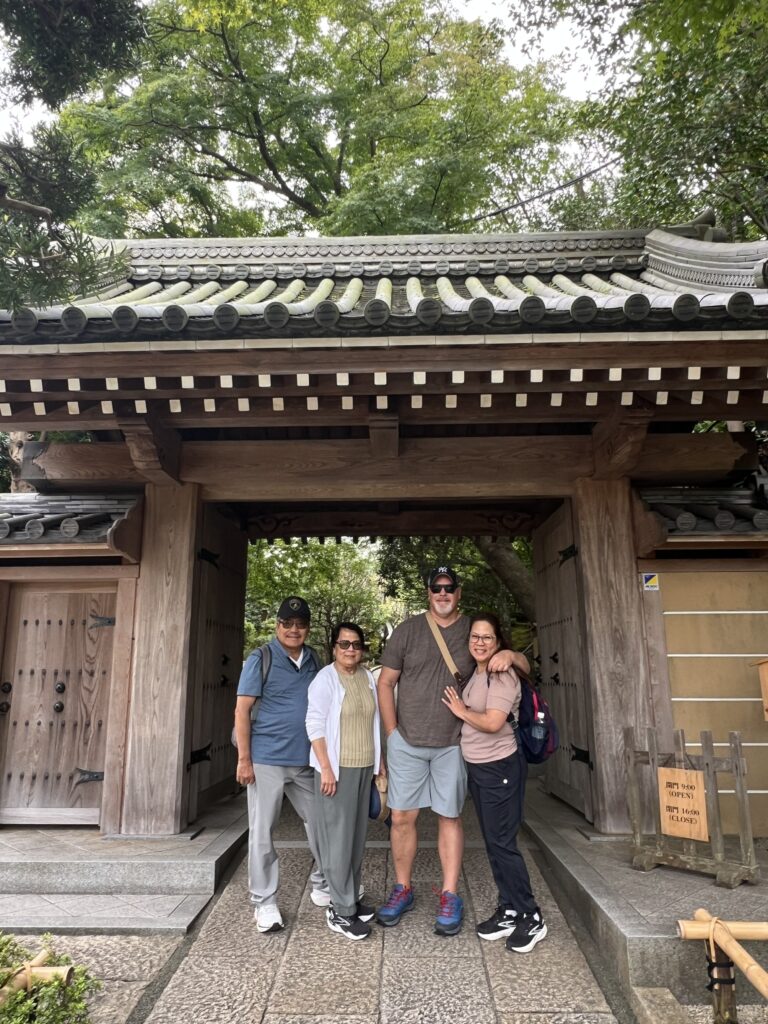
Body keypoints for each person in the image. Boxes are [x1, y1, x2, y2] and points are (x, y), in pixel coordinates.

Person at [376, 566, 527, 936]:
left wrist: (511, 654)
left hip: (453, 744)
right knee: (401, 818)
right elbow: (385, 682)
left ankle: (449, 893)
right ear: (428, 592)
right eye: (436, 587)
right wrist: (392, 733)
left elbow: (522, 665)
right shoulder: (407, 630)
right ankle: (403, 887)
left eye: (449, 588)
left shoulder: (473, 632)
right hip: (408, 741)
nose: (442, 593)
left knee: (449, 817)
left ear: (459, 593)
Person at [442, 611, 546, 953]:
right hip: (482, 768)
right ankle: (510, 907)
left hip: (500, 766)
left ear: (498, 641)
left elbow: (492, 722)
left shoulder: (501, 674)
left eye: (487, 637)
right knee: (493, 841)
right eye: (475, 636)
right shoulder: (479, 671)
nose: (480, 642)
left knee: (503, 842)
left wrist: (461, 713)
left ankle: (531, 916)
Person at [234, 596, 329, 933]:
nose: (294, 629)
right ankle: (265, 903)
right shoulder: (260, 658)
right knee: (262, 833)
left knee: (322, 823)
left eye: (300, 624)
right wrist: (244, 760)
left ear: (307, 628)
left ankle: (322, 883)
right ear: (277, 626)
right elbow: (242, 711)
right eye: (287, 623)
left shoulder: (314, 658)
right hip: (266, 760)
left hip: (306, 760)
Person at [306, 622, 382, 940]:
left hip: (364, 767)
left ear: (362, 649)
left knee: (355, 839)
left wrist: (381, 766)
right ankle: (339, 910)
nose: (350, 650)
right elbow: (314, 724)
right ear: (334, 648)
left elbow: (375, 721)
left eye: (355, 644)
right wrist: (325, 768)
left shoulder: (367, 678)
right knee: (337, 841)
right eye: (344, 644)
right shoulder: (325, 679)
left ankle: (349, 898)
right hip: (337, 770)